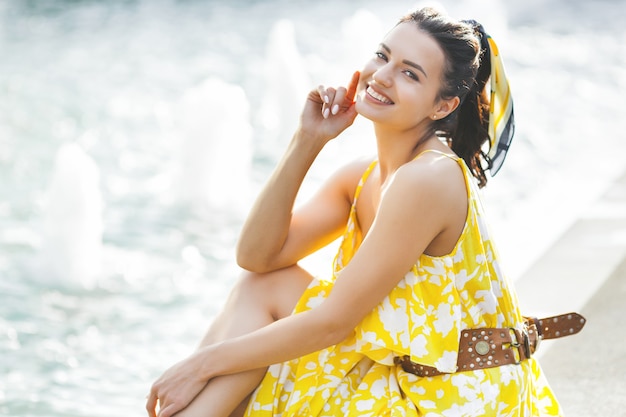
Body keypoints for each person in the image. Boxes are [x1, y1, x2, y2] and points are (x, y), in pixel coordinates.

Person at [147, 6, 584, 417]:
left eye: (410, 74)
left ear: (443, 106)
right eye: (383, 55)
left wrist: (199, 364)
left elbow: (334, 322)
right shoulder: (362, 178)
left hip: (454, 398)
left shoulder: (429, 177)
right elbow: (256, 258)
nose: (383, 76)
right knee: (261, 287)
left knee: (246, 350)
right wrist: (308, 141)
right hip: (401, 377)